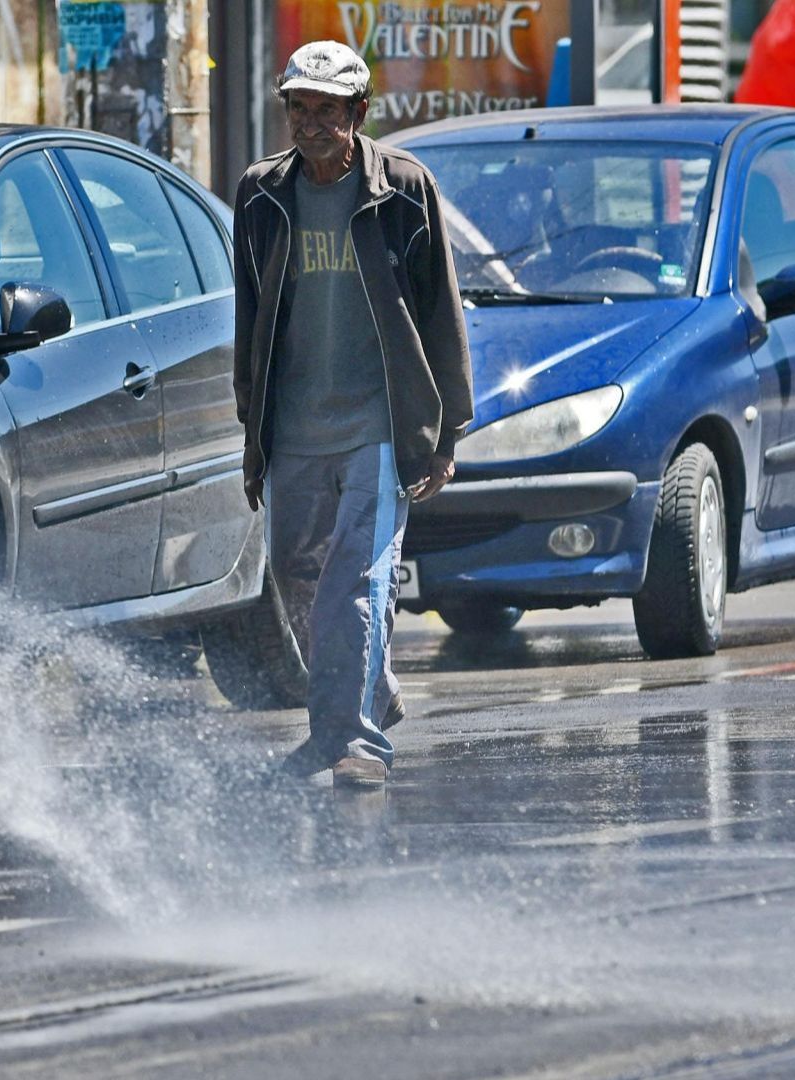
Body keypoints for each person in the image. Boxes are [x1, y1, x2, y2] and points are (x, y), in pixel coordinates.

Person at [232, 41, 474, 790]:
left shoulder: (403, 190)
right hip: (293, 426)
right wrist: (252, 431)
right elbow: (251, 317)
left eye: (326, 113)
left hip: (377, 423)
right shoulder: (261, 193)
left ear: (359, 114)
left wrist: (445, 431)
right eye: (298, 110)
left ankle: (353, 741)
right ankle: (370, 689)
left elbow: (441, 314)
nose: (309, 126)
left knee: (358, 584)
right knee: (297, 579)